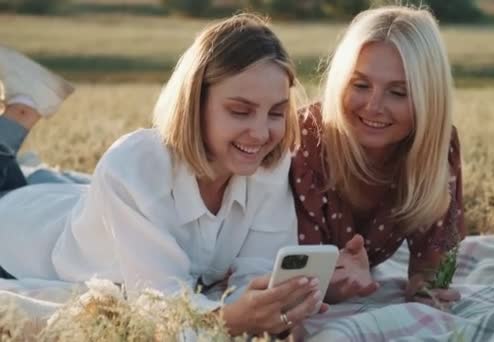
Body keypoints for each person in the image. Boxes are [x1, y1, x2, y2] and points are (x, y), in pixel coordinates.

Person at [0, 14, 326, 337]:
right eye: (239, 111)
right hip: (14, 237)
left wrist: (271, 301)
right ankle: (23, 107)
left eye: (276, 113)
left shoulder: (269, 165)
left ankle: (23, 106)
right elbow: (161, 306)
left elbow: (258, 269)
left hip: (62, 202)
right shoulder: (133, 164)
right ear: (194, 103)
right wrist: (231, 319)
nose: (259, 133)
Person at [291, 6, 465, 306]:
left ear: (429, 99)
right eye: (360, 85)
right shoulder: (304, 138)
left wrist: (426, 288)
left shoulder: (437, 147)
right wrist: (332, 286)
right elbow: (286, 273)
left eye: (398, 92)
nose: (373, 106)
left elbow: (431, 266)